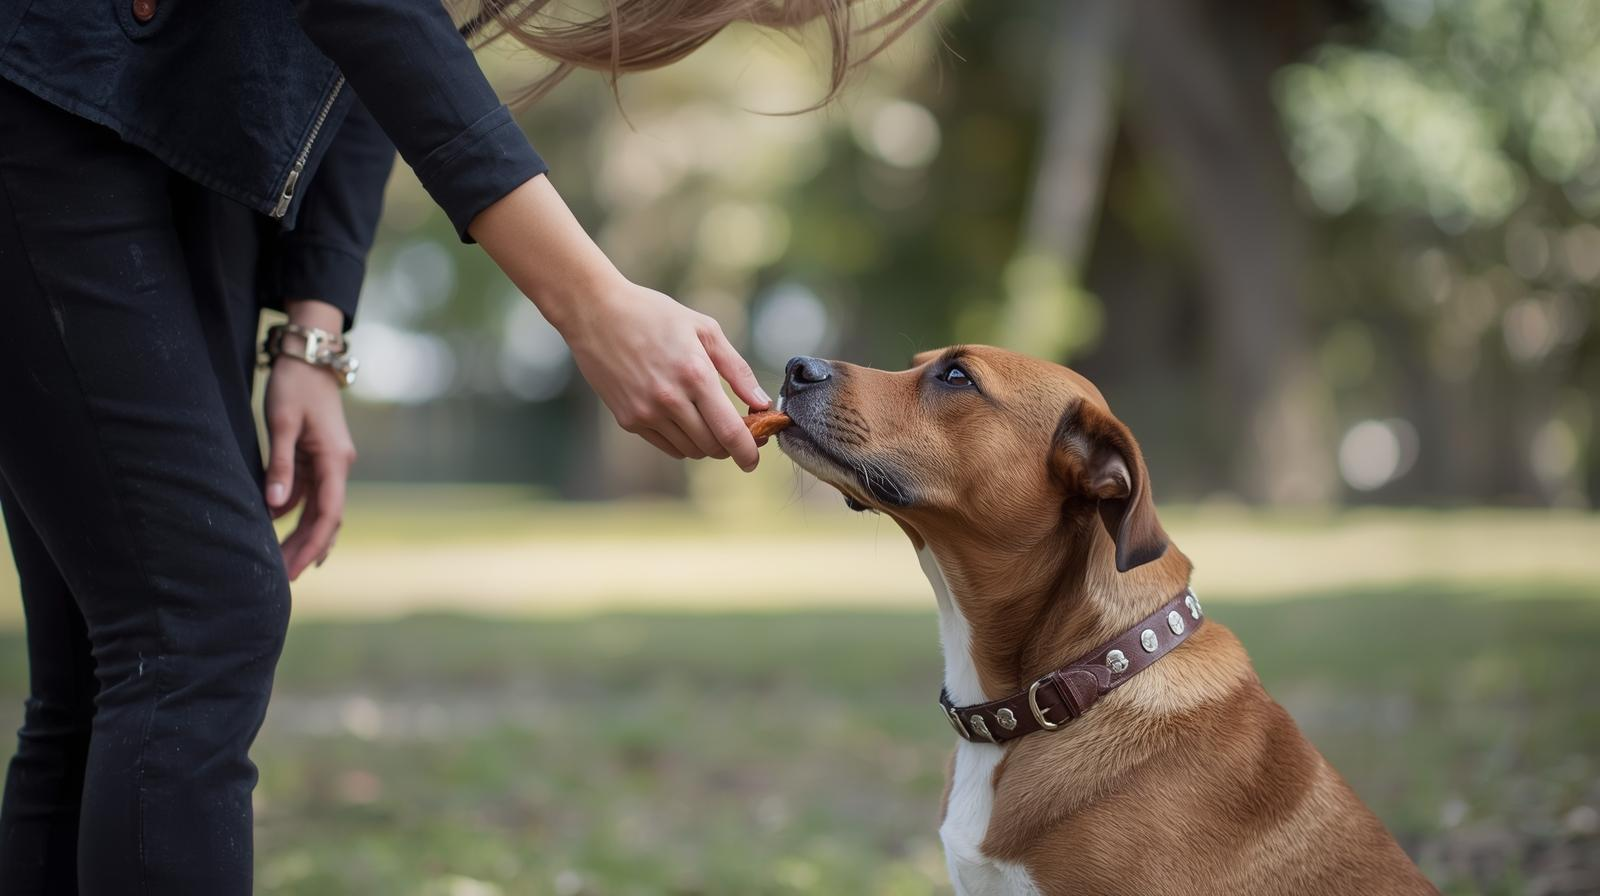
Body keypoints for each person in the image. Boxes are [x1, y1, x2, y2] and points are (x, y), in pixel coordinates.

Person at [0, 0, 933, 892]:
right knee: (200, 619)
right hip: (46, 91)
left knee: (104, 662)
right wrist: (590, 301)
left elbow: (354, 58)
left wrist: (315, 335)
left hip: (173, 124)